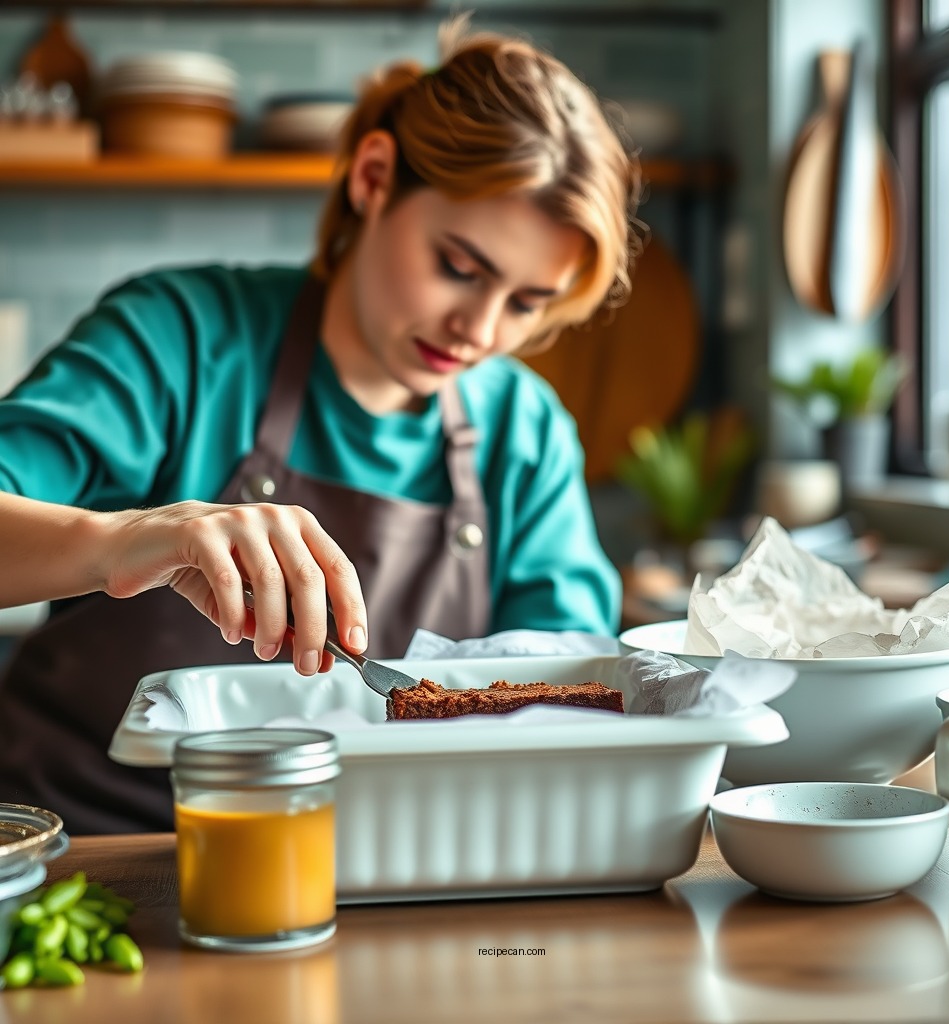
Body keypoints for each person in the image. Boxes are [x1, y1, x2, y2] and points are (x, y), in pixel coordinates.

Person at [0, 17, 643, 833]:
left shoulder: (524, 431)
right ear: (374, 178)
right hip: (92, 856)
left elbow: (569, 698)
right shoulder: (180, 339)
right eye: (459, 266)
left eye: (526, 303)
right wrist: (120, 543)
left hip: (373, 871)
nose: (479, 330)